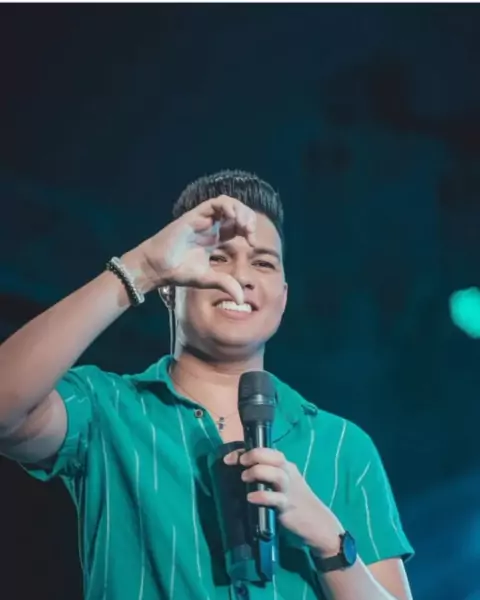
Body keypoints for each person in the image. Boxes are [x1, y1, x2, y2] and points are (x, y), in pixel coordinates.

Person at [0, 170, 414, 600]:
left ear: (283, 296)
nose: (241, 277)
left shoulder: (343, 446)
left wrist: (330, 541)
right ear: (169, 286)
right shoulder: (105, 409)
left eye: (263, 263)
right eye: (218, 258)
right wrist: (141, 269)